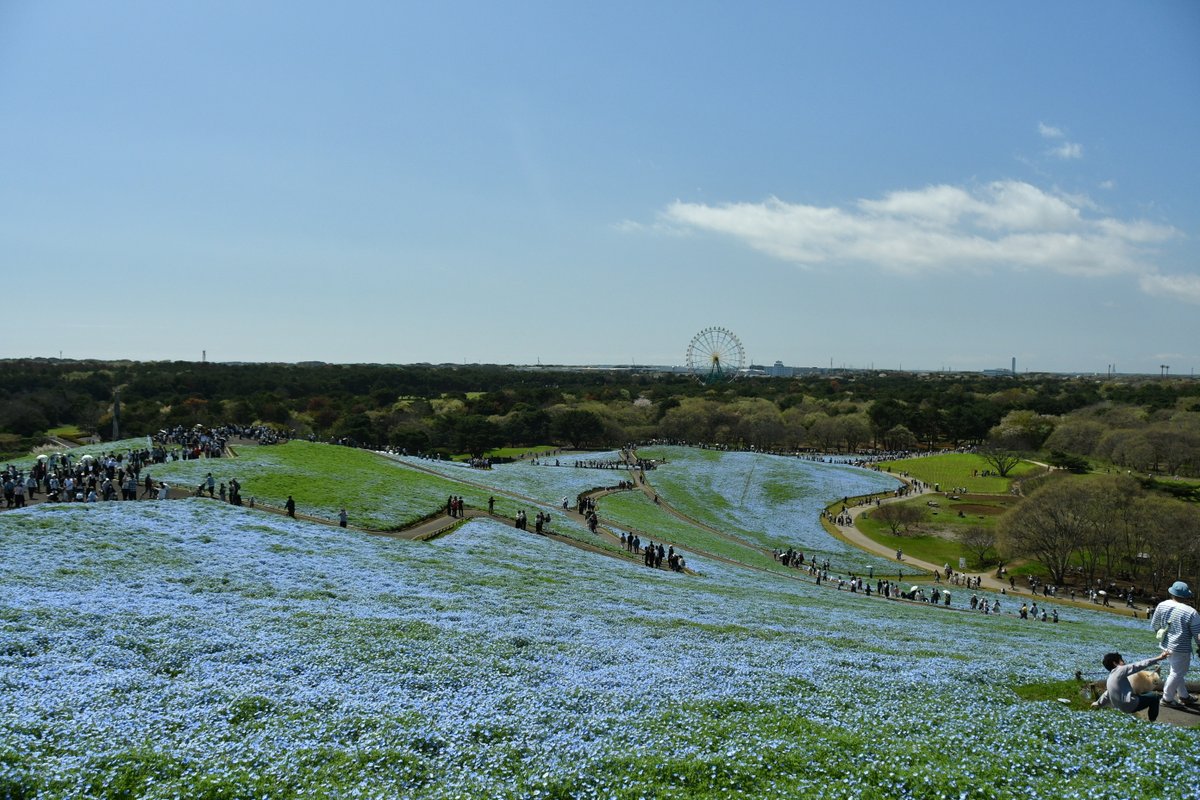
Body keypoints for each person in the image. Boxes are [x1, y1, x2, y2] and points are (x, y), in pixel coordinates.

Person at [1150, 581, 1200, 709]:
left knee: (1176, 672)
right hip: (1181, 648)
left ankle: (1184, 696)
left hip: (1165, 645)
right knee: (1177, 673)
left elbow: (1154, 625)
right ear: (1186, 596)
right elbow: (1198, 635)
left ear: (1172, 593)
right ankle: (1167, 698)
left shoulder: (1162, 605)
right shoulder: (1191, 612)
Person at [1092, 650, 1170, 721]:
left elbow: (1107, 694)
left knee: (1144, 694)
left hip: (1120, 707)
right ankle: (1152, 721)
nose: (1125, 663)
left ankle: (1151, 720)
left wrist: (1098, 703)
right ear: (1115, 663)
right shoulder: (1120, 670)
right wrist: (1158, 658)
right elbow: (1138, 665)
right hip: (1129, 705)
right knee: (1155, 696)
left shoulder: (1110, 678)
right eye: (1122, 661)